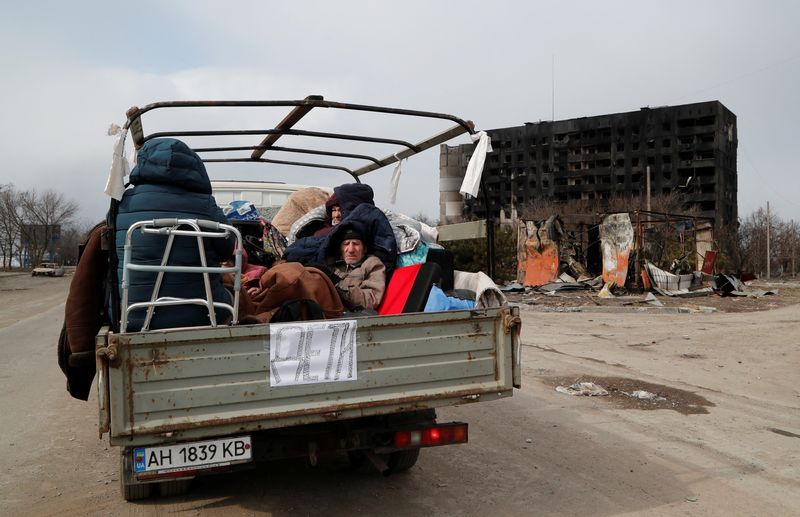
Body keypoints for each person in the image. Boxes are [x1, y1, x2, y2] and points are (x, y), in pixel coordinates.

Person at [115, 138, 234, 331]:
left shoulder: (121, 204)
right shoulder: (206, 204)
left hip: (131, 316)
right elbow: (227, 250)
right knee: (234, 294)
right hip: (205, 314)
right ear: (194, 167)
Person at [329, 227, 386, 311]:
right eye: (346, 244)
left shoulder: (373, 264)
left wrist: (339, 285)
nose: (351, 250)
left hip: (355, 318)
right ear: (340, 249)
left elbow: (370, 301)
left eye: (356, 244)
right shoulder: (332, 266)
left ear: (364, 248)